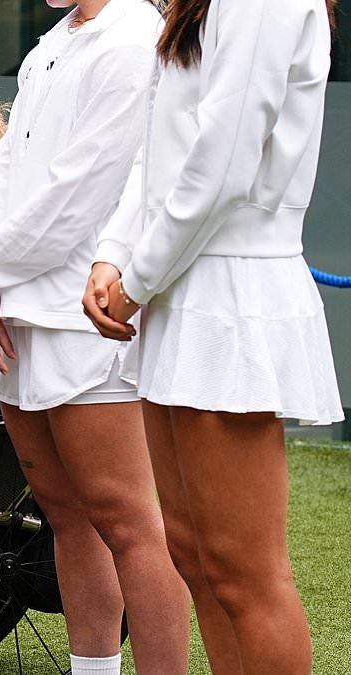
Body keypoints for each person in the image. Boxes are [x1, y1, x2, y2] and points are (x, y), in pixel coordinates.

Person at [83, 0, 343, 672]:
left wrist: (135, 278)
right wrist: (113, 254)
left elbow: (223, 162)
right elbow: (161, 150)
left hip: (232, 293)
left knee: (243, 571)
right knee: (195, 555)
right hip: (179, 288)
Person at [0, 1, 192, 673]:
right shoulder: (55, 40)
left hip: (90, 318)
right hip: (21, 313)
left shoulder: (134, 41)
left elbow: (75, 199)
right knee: (65, 513)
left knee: (130, 523)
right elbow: (3, 179)